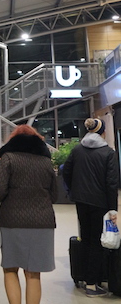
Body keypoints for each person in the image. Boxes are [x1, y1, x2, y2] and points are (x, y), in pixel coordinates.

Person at [0, 125, 57, 304]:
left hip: (12, 220)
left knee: (10, 269)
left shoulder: (8, 158)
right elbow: (55, 194)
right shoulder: (45, 162)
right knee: (34, 273)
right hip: (42, 221)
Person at [63, 117, 119, 297]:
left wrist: (73, 189)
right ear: (102, 132)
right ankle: (92, 284)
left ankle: (84, 277)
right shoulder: (108, 153)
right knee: (97, 242)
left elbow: (66, 170)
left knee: (85, 238)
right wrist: (113, 209)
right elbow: (111, 183)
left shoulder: (77, 150)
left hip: (81, 201)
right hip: (100, 203)